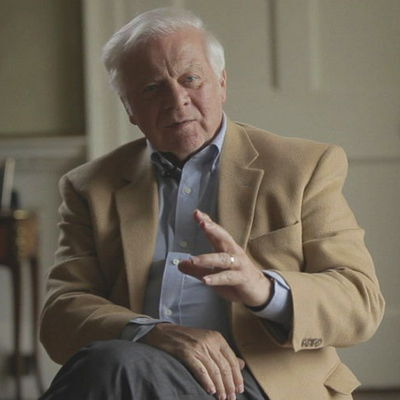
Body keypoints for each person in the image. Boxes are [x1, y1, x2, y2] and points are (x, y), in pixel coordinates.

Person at [39, 7, 384, 400]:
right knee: (115, 364)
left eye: (190, 79)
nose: (177, 101)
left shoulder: (303, 168)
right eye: (152, 88)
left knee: (111, 368)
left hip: (262, 384)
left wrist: (264, 289)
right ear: (129, 108)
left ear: (221, 83)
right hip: (142, 373)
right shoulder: (90, 187)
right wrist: (151, 332)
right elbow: (61, 313)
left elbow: (360, 302)